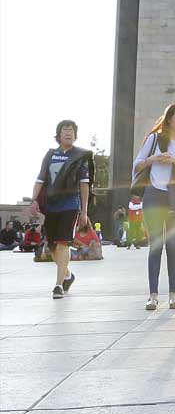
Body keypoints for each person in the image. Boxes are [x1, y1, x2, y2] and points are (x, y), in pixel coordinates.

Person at [133, 103, 175, 311]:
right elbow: (137, 165)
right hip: (154, 194)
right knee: (156, 245)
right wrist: (153, 159)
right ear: (169, 119)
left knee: (173, 246)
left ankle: (173, 294)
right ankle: (152, 295)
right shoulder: (154, 139)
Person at [29, 119, 93, 298]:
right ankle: (67, 275)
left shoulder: (80, 157)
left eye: (72, 130)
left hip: (70, 205)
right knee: (52, 247)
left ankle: (58, 285)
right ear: (59, 134)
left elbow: (84, 184)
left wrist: (84, 211)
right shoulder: (50, 155)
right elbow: (40, 179)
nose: (69, 133)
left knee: (63, 242)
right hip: (51, 205)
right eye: (65, 130)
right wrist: (34, 200)